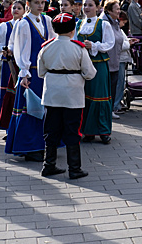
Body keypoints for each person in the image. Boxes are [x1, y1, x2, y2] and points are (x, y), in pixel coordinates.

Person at [37, 13, 97, 179]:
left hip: (51, 94)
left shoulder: (46, 47)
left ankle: (48, 165)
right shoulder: (78, 48)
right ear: (73, 30)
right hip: (73, 95)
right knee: (72, 130)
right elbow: (90, 73)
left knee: (51, 130)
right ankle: (74, 168)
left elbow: (41, 73)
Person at [6, 0, 56, 161]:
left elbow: (52, 43)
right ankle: (30, 147)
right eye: (37, 3)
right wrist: (25, 73)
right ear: (28, 4)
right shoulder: (24, 23)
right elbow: (21, 50)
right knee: (31, 110)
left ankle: (42, 144)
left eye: (43, 2)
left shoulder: (47, 20)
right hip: (31, 73)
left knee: (44, 109)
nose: (41, 6)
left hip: (44, 72)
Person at [75, 0, 115, 144]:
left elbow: (110, 43)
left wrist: (94, 46)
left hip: (98, 63)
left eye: (90, 5)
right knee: (85, 97)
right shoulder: (79, 23)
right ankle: (88, 130)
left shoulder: (103, 24)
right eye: (85, 5)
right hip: (82, 65)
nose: (87, 8)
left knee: (100, 96)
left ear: (98, 7)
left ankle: (104, 130)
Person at [0, 0, 25, 130]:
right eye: (14, 8)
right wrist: (5, 49)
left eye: (19, 8)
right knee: (7, 95)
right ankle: (7, 126)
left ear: (24, 10)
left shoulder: (27, 25)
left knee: (21, 95)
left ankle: (20, 126)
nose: (16, 10)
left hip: (22, 65)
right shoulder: (4, 26)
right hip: (9, 65)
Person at [100, 0, 126, 120]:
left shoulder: (115, 22)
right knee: (107, 89)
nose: (119, 11)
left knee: (113, 88)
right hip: (107, 62)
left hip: (115, 60)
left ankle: (109, 111)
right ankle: (106, 112)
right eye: (117, 9)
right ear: (109, 11)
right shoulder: (105, 23)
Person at [113, 11, 136, 114]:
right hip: (120, 58)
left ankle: (117, 103)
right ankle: (116, 105)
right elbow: (119, 45)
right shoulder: (116, 29)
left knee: (119, 82)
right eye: (124, 22)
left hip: (121, 58)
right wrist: (128, 43)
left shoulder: (118, 29)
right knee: (119, 82)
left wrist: (128, 41)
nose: (124, 25)